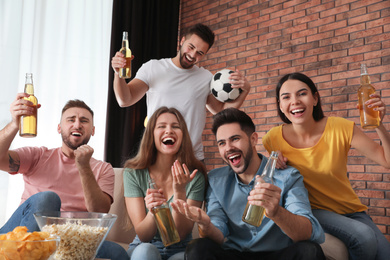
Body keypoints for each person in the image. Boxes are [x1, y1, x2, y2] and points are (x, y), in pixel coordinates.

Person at [262, 72, 390, 260]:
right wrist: (273, 159)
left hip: (351, 211)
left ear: (315, 98)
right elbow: (265, 173)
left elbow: (386, 160)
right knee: (363, 237)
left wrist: (379, 124)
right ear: (280, 106)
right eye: (286, 97)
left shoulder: (340, 127)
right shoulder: (272, 139)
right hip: (311, 211)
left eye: (302, 93)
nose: (295, 101)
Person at [171, 107, 325, 260]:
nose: (228, 148)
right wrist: (205, 225)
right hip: (236, 255)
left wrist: (276, 212)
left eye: (235, 139)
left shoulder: (287, 176)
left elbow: (308, 232)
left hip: (279, 254)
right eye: (222, 143)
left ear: (253, 139)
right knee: (198, 248)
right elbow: (218, 231)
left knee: (309, 251)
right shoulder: (215, 180)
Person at [0, 93, 129, 260]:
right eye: (71, 120)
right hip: (24, 235)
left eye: (84, 121)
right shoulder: (38, 156)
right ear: (59, 128)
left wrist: (83, 167)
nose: (77, 124)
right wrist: (15, 124)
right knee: (47, 198)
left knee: (117, 252)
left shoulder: (103, 169)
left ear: (93, 130)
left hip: (70, 240)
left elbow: (99, 212)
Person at [111, 23, 251, 161]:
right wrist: (118, 74)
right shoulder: (153, 67)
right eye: (191, 47)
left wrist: (245, 90)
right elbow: (125, 99)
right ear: (182, 41)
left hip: (191, 158)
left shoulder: (206, 77)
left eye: (200, 53)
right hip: (157, 157)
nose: (192, 55)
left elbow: (220, 111)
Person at [123, 106, 207, 260]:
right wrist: (153, 210)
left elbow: (181, 234)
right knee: (146, 252)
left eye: (176, 126)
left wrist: (180, 192)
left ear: (183, 135)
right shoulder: (133, 173)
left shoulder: (195, 176)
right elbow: (143, 235)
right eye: (161, 126)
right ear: (151, 134)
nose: (169, 131)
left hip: (180, 249)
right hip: (144, 246)